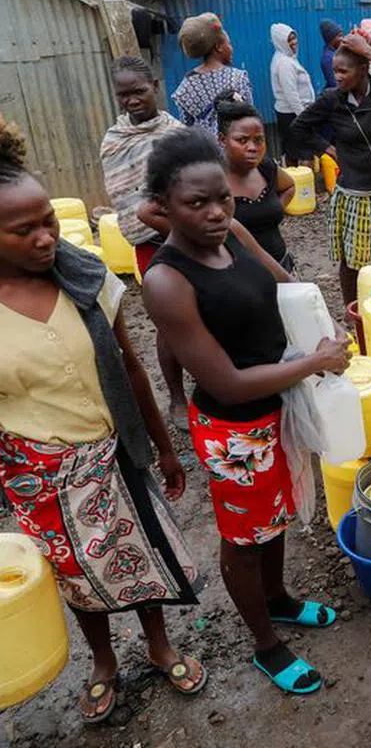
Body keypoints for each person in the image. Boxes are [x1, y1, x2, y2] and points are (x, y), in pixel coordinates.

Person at [0, 115, 206, 723]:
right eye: (24, 231)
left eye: (47, 223)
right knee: (73, 574)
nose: (45, 238)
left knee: (139, 554)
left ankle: (159, 644)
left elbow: (132, 367)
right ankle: (103, 661)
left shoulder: (85, 279)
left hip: (112, 453)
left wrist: (163, 449)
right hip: (36, 471)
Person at [141, 128, 351, 695]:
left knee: (275, 515)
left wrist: (326, 326)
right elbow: (227, 383)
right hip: (235, 428)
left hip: (277, 405)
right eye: (196, 203)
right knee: (242, 537)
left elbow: (286, 285)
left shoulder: (232, 233)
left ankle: (278, 599)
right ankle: (266, 645)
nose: (215, 212)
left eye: (223, 198)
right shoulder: (165, 282)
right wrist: (314, 363)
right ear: (163, 207)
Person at [291, 32, 371, 309]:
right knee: (354, 260)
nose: (338, 77)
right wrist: (327, 148)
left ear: (364, 69)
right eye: (335, 71)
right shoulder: (332, 99)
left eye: (343, 71)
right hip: (356, 194)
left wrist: (370, 51)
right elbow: (299, 128)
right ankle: (351, 309)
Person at [99, 56, 190, 428]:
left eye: (138, 91)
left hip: (190, 236)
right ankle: (178, 399)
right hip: (150, 245)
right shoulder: (115, 141)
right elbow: (125, 195)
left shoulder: (177, 133)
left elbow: (194, 187)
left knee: (207, 311)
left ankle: (213, 381)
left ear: (154, 85)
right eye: (124, 95)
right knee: (169, 322)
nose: (132, 100)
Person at [216, 95, 297, 271]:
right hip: (238, 277)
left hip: (281, 265)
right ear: (222, 140)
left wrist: (275, 208)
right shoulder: (212, 181)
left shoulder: (265, 168)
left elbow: (290, 186)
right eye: (242, 140)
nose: (252, 147)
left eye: (258, 140)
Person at [172, 12, 253, 135]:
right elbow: (250, 117)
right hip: (236, 148)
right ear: (219, 47)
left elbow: (188, 130)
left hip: (205, 151)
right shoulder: (237, 78)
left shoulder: (184, 89)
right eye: (229, 44)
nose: (232, 48)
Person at [269, 23, 316, 166]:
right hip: (293, 115)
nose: (294, 42)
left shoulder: (287, 58)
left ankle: (298, 184)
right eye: (289, 40)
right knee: (303, 153)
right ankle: (303, 186)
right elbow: (291, 95)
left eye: (294, 38)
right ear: (280, 42)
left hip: (291, 114)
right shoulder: (285, 64)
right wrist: (304, 117)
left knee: (293, 152)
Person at [319, 19, 344, 91]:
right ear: (331, 38)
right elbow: (335, 84)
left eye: (342, 35)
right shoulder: (328, 59)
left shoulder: (336, 53)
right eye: (339, 36)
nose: (342, 39)